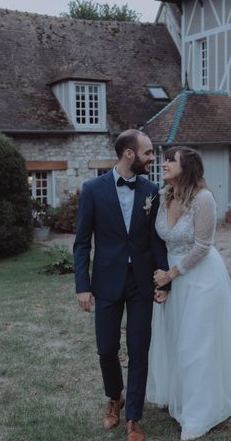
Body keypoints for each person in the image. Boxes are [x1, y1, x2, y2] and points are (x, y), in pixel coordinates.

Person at [147, 146, 231, 441]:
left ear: (188, 168)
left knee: (196, 344)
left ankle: (197, 416)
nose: (165, 163)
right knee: (176, 339)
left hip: (202, 278)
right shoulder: (163, 197)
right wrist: (163, 281)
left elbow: (202, 246)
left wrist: (172, 274)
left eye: (172, 160)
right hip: (174, 278)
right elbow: (159, 242)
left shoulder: (203, 199)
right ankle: (180, 396)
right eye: (165, 158)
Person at [73, 129, 169, 441]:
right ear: (129, 153)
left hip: (141, 281)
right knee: (106, 348)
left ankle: (133, 417)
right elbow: (82, 243)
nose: (152, 158)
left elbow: (156, 240)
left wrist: (163, 279)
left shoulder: (151, 190)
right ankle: (114, 396)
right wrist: (82, 285)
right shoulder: (92, 189)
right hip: (106, 280)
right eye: (148, 152)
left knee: (139, 349)